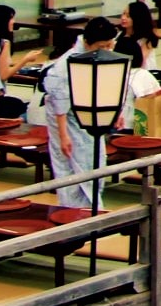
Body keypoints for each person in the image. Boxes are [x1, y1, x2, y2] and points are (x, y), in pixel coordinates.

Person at [44, 17, 126, 209]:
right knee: (69, 166)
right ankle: (73, 212)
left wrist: (115, 113)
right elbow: (59, 98)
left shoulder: (101, 56)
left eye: (110, 45)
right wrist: (63, 134)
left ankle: (92, 209)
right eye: (102, 45)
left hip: (91, 115)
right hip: (65, 117)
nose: (107, 50)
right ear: (88, 43)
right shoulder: (66, 63)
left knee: (95, 161)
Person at [114, 1, 160, 70]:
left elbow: (138, 61)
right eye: (123, 13)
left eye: (128, 16)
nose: (123, 18)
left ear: (137, 18)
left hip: (141, 72)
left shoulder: (146, 40)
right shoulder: (120, 34)